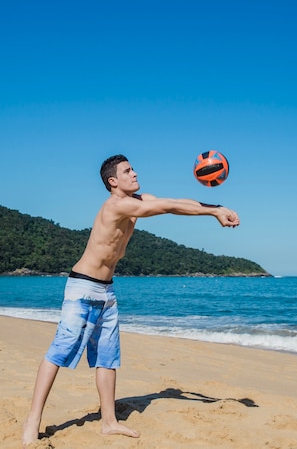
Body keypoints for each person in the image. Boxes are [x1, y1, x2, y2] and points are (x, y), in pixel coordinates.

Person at [22, 154, 239, 446]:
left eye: (133, 168)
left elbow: (176, 204)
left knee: (107, 358)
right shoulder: (117, 204)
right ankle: (32, 420)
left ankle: (109, 422)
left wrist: (216, 209)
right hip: (83, 288)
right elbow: (167, 206)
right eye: (127, 171)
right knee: (59, 352)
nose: (134, 173)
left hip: (107, 290)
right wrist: (216, 210)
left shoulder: (138, 200)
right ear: (113, 181)